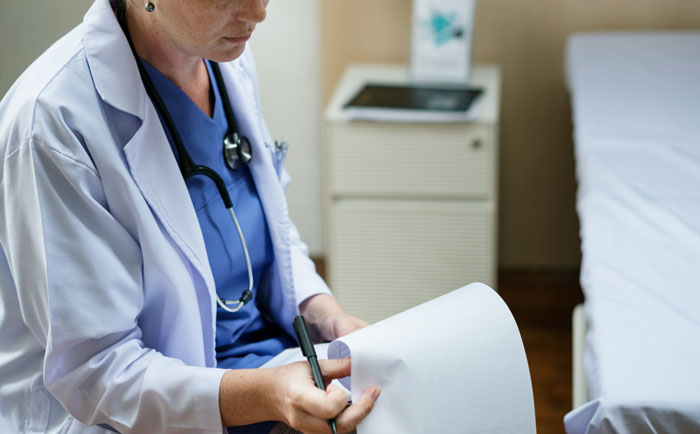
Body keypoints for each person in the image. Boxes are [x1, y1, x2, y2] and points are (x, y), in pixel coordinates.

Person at [0, 0, 380, 433]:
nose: (257, 14)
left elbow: (267, 226)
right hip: (141, 412)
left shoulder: (224, 59)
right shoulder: (52, 122)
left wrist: (323, 312)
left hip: (271, 368)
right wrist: (267, 395)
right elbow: (97, 372)